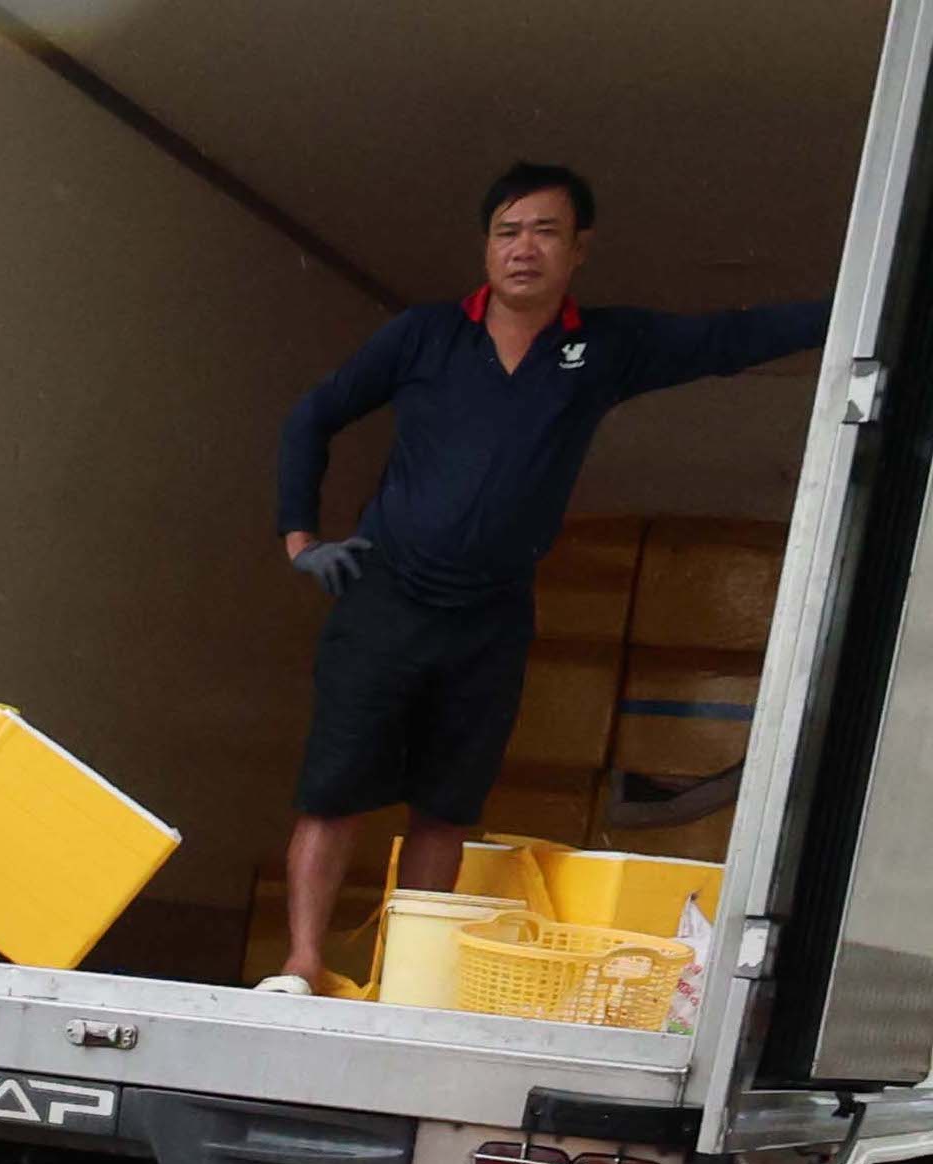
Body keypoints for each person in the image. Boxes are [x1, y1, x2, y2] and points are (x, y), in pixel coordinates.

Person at [268, 164, 829, 991]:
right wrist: (300, 540)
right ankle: (302, 963)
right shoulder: (424, 335)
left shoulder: (602, 348)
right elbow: (312, 415)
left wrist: (859, 309)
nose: (523, 248)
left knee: (447, 807)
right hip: (384, 599)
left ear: (579, 250)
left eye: (544, 232)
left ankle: (403, 981)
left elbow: (729, 340)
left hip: (490, 618)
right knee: (333, 792)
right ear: (485, 246)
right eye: (507, 231)